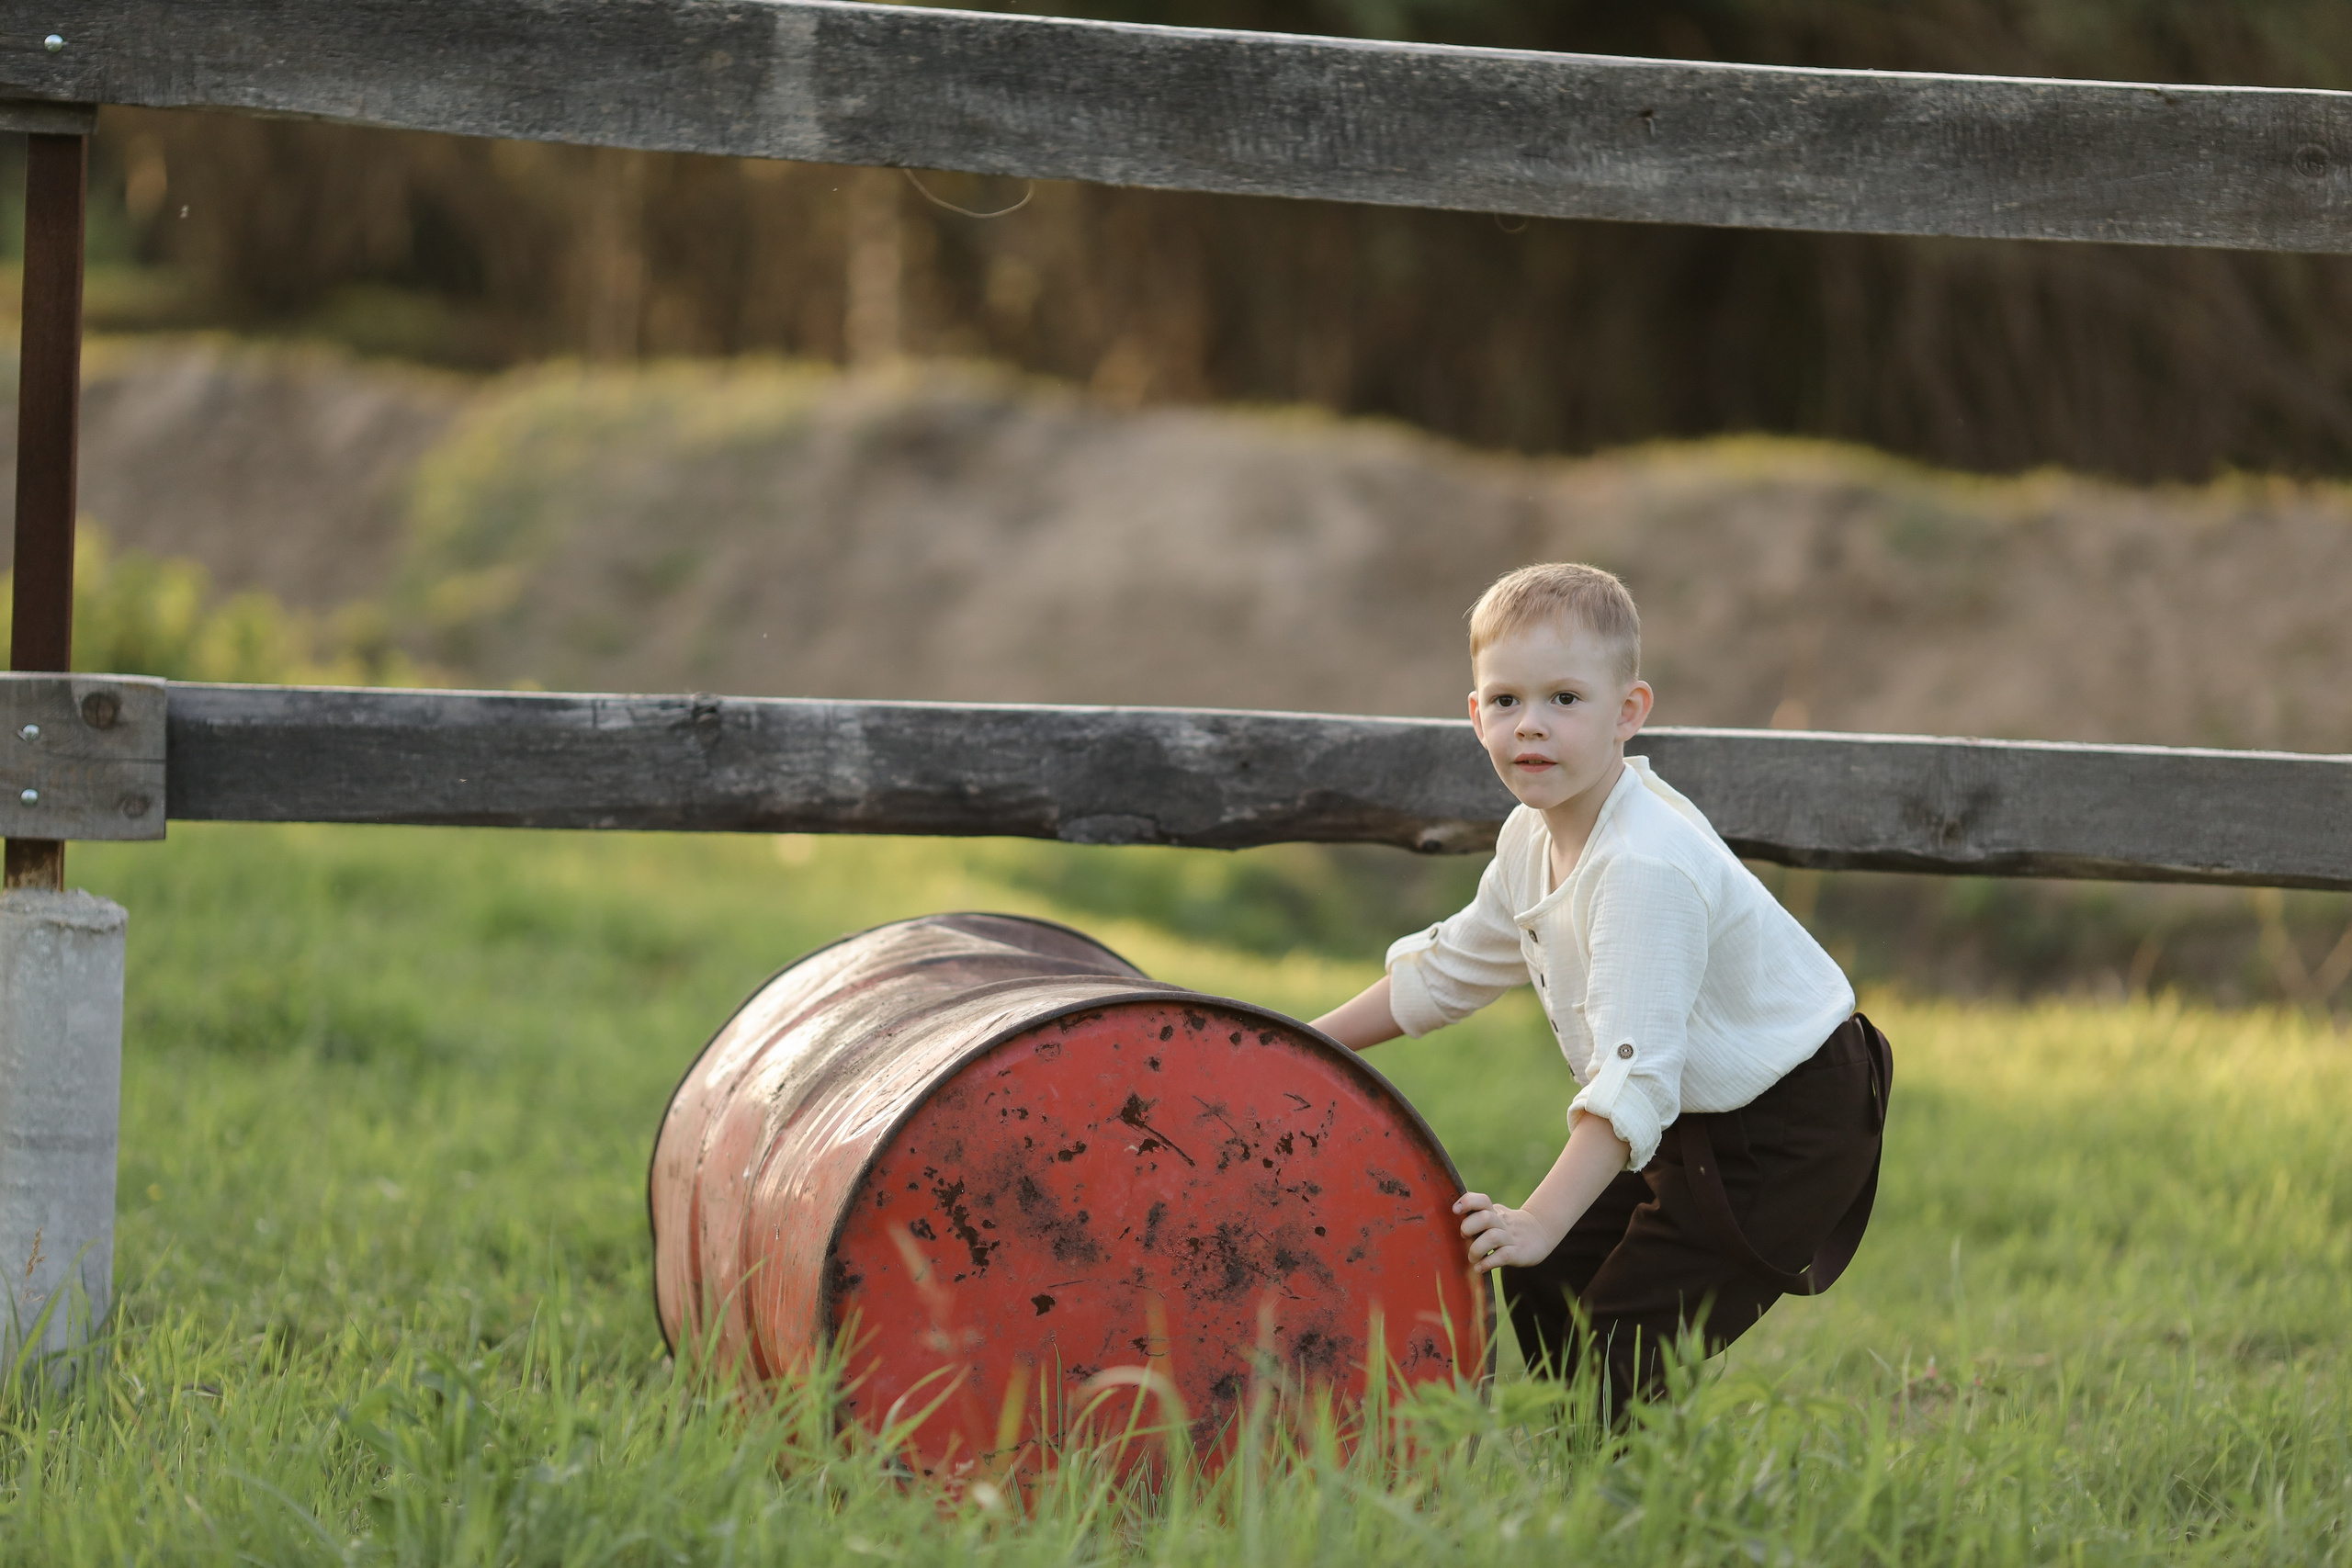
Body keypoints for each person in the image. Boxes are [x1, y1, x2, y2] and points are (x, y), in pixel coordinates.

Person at [1309, 562, 1890, 1419]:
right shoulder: (1530, 836)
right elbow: (1450, 968)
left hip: (1792, 1119)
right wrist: (1294, 1044)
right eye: (1505, 700)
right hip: (1691, 1106)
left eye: (1565, 699)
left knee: (1627, 1332)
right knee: (1547, 1278)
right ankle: (1579, 1456)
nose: (1530, 724)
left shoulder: (1641, 865)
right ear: (1475, 715)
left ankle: (1622, 1476)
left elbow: (1634, 1080)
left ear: (1628, 711)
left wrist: (1539, 1219)